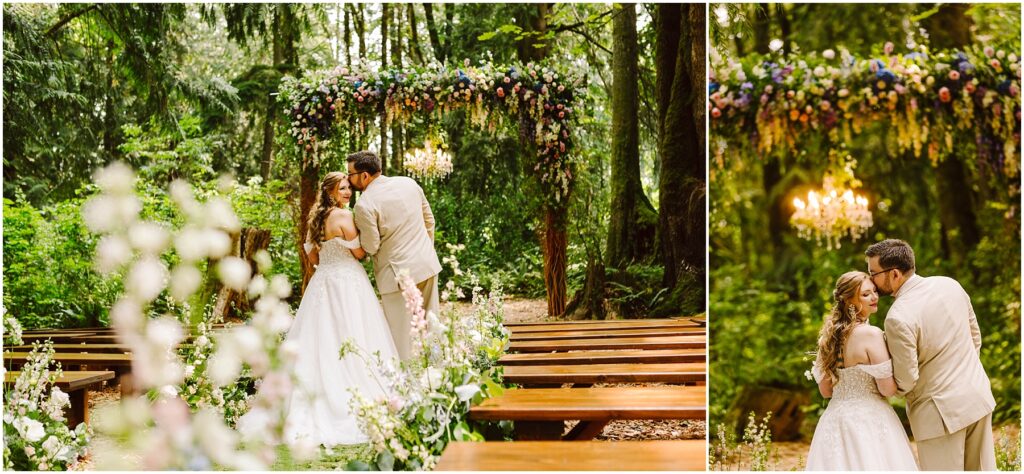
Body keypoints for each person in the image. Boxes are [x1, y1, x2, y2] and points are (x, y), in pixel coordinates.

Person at [238, 172, 398, 447]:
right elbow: (361, 253)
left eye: (349, 188)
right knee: (354, 333)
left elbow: (312, 258)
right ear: (331, 192)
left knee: (316, 339)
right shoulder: (344, 217)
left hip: (323, 281)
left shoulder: (316, 220)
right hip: (347, 282)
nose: (348, 192)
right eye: (342, 188)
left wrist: (329, 260)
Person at [867, 239, 996, 471]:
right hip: (977, 396)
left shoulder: (898, 316)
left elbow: (907, 379)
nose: (870, 281)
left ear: (894, 274)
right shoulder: (949, 285)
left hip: (938, 415)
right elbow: (975, 337)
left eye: (873, 273)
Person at [806, 271, 918, 471]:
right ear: (849, 300)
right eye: (866, 294)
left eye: (874, 291)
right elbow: (887, 389)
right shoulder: (871, 334)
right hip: (870, 417)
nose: (875, 297)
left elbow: (826, 391)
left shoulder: (828, 338)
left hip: (835, 420)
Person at [346, 150, 441, 360]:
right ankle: (439, 378)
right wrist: (424, 249)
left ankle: (409, 386)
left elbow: (371, 245)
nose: (348, 179)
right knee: (432, 326)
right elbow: (429, 220)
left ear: (364, 175)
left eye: (350, 174)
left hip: (396, 276)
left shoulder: (364, 204)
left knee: (402, 338)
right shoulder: (408, 183)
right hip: (426, 265)